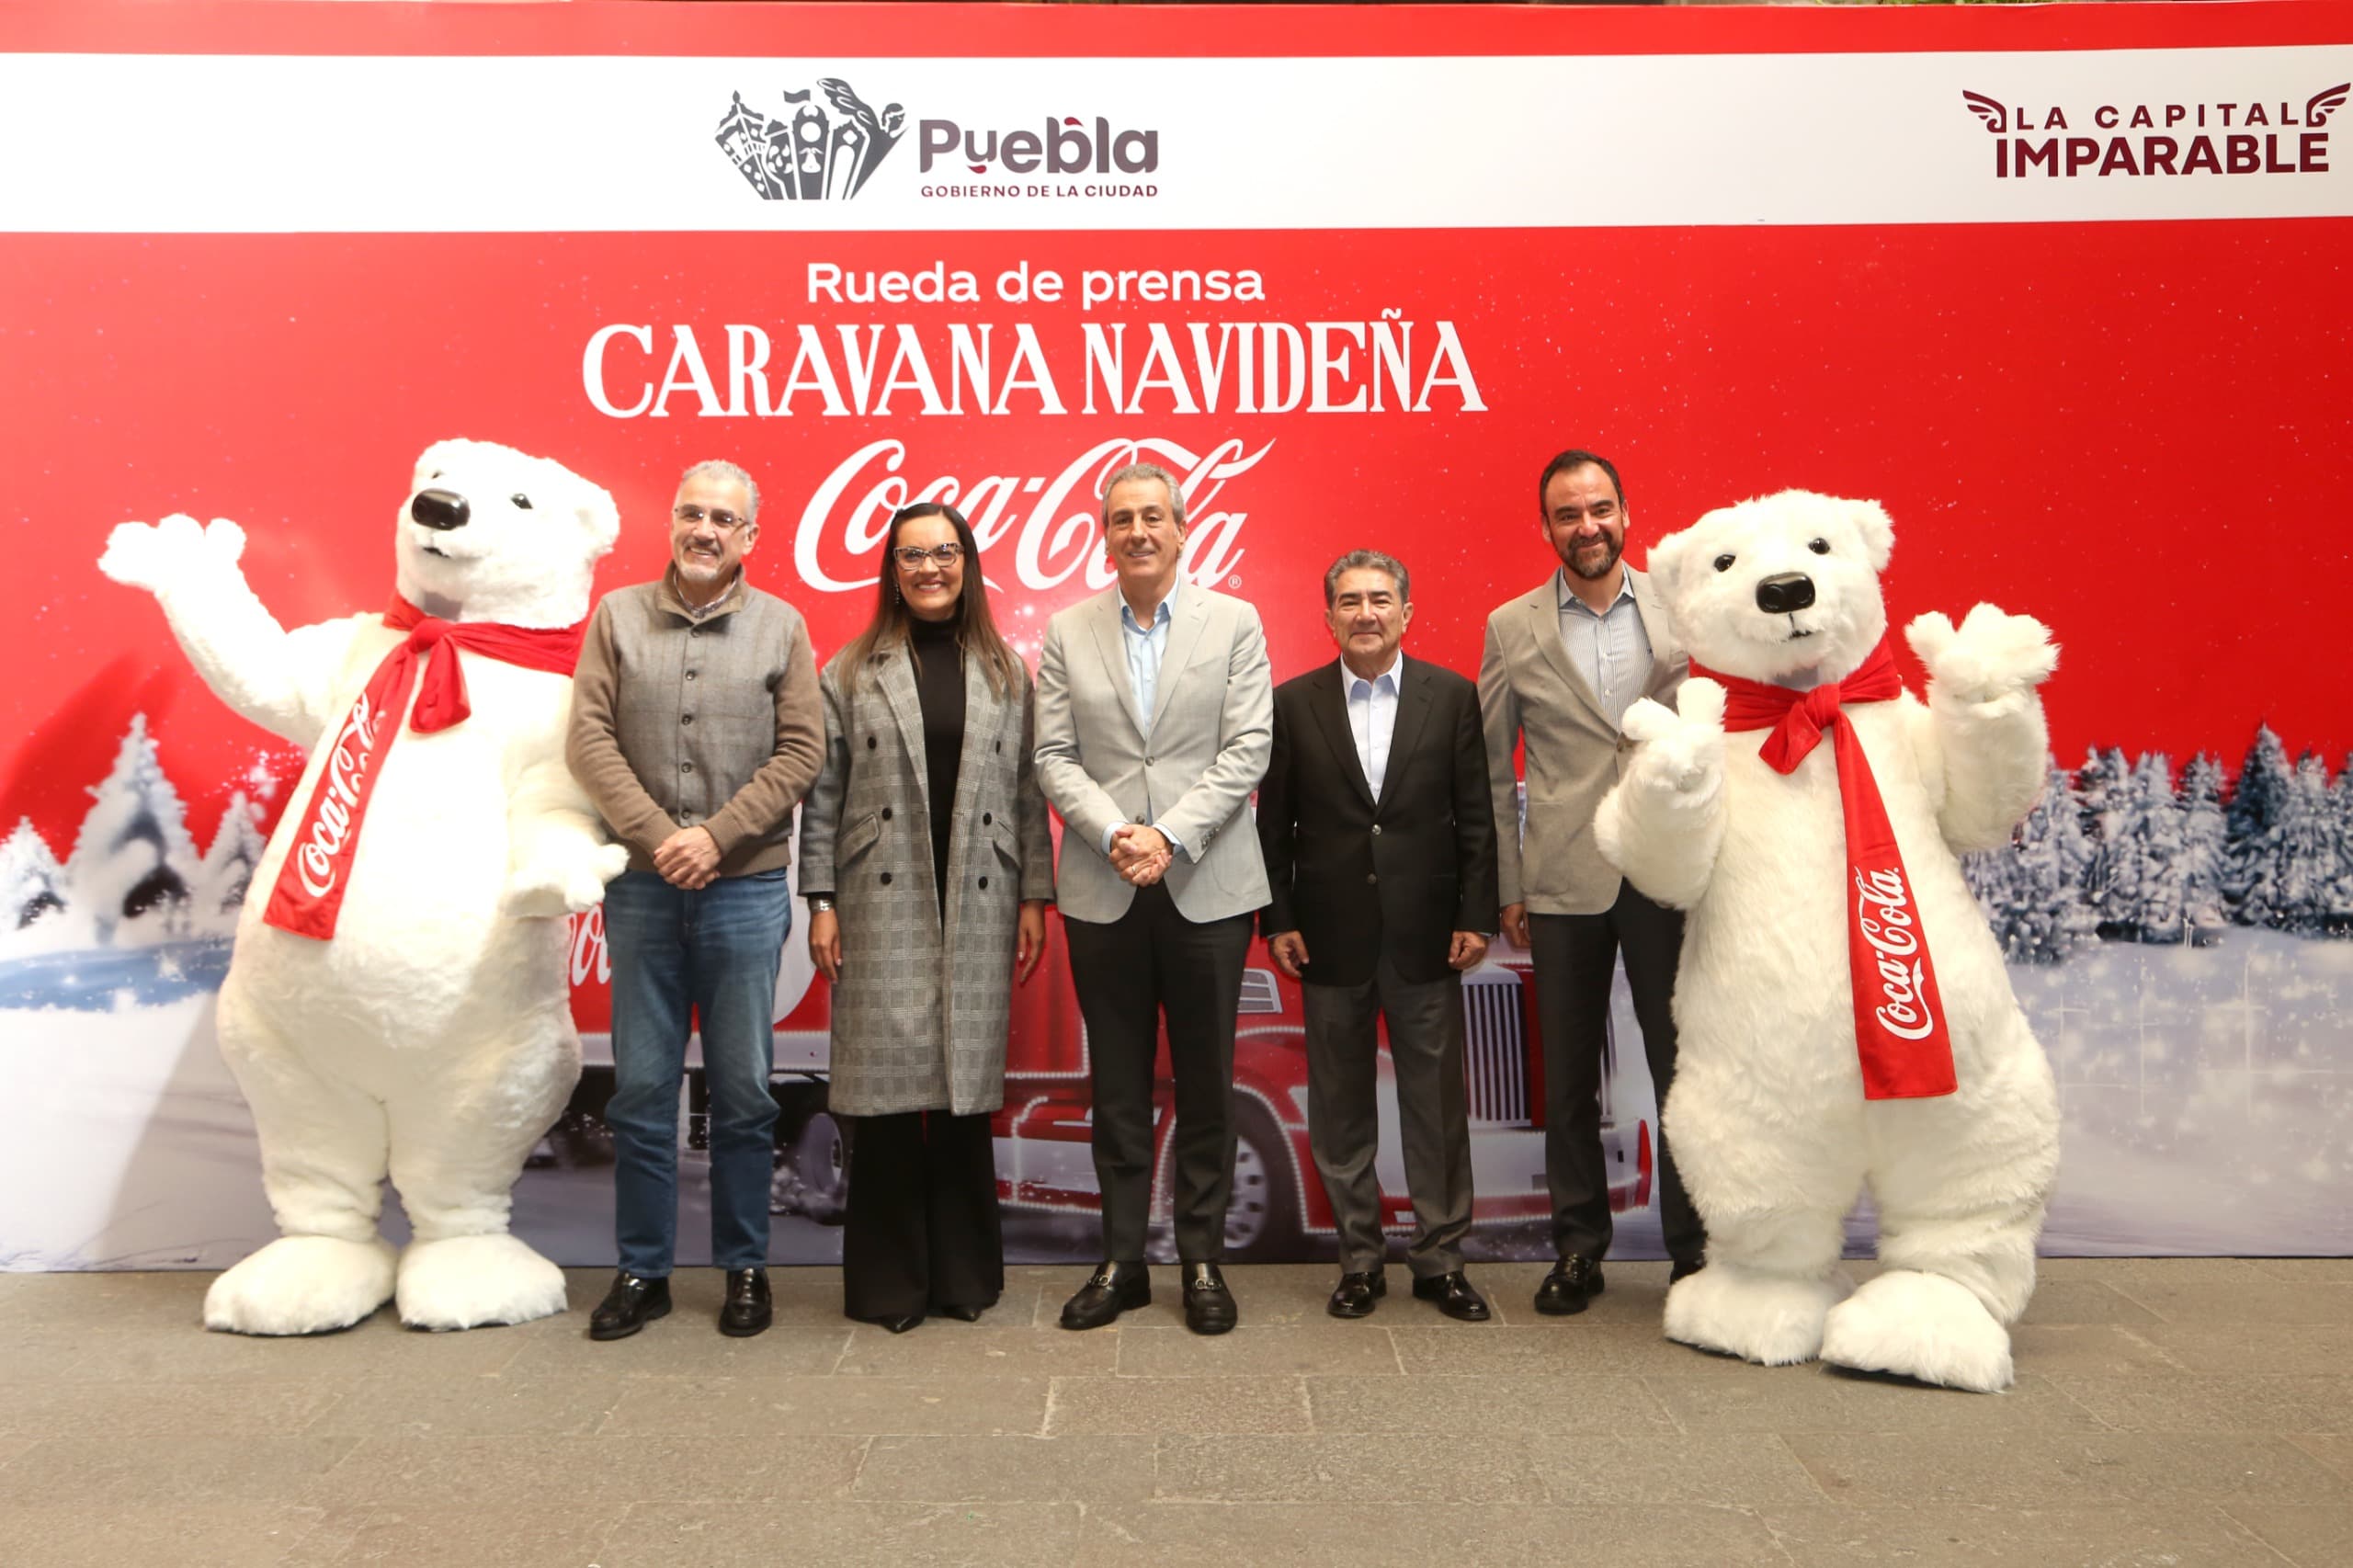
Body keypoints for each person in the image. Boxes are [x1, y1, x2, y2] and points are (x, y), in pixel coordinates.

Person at [567, 459, 824, 1340]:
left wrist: (714, 837)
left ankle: (745, 1268)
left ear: (751, 537)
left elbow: (801, 753)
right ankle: (643, 1272)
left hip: (744, 893)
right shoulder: (616, 618)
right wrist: (657, 837)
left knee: (746, 1091)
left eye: (724, 518)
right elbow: (588, 739)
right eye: (691, 514)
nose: (704, 530)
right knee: (641, 1090)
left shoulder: (783, 628)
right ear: (671, 523)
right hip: (642, 890)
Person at [797, 503, 1054, 1334]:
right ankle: (888, 1288)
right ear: (893, 572)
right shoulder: (850, 669)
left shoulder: (1007, 671)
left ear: (967, 564)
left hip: (981, 896)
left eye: (945, 552)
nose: (931, 568)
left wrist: (1034, 896)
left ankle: (963, 1280)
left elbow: (1024, 795)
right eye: (913, 556)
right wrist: (822, 903)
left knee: (962, 1092)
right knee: (883, 1094)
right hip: (879, 901)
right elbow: (824, 797)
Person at [1033, 460, 1273, 1335]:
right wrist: (1115, 836)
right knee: (1120, 1087)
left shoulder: (1235, 622)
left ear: (1182, 528)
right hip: (1104, 886)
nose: (1137, 531)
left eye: (1152, 517)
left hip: (1206, 883)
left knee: (1210, 1083)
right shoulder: (1067, 629)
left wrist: (1166, 835)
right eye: (1121, 518)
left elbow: (1248, 746)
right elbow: (1053, 754)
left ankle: (1202, 1258)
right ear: (1106, 534)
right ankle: (1123, 1259)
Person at [1477, 449, 1706, 1315]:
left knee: (1682, 1068)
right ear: (1547, 529)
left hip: (1665, 868)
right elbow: (1495, 772)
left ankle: (1695, 1252)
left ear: (1626, 514)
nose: (1588, 527)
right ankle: (1578, 1249)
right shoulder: (1512, 626)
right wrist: (1509, 884)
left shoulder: (1685, 609)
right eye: (1569, 515)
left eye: (1601, 509)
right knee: (1566, 1078)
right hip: (1563, 881)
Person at [1258, 551, 1498, 1322]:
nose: (1366, 613)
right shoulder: (1292, 705)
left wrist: (1476, 914)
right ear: (1327, 617)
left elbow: (1477, 817)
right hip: (1327, 938)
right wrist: (1282, 920)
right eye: (1351, 601)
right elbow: (1274, 827)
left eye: (1381, 599)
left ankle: (1440, 1259)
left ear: (1407, 613)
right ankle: (1359, 1259)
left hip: (1429, 935)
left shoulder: (1452, 697)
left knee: (1435, 1107)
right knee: (1339, 1111)